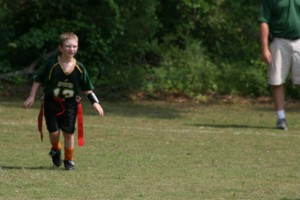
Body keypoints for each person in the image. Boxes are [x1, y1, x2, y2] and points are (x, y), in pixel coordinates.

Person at [24, 32, 104, 170]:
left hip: (70, 104)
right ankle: (56, 148)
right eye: (68, 46)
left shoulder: (80, 67)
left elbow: (87, 88)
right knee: (54, 132)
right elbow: (38, 80)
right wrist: (31, 96)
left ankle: (69, 160)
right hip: (51, 102)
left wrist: (95, 102)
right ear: (60, 47)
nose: (71, 49)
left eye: (74, 46)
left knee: (68, 133)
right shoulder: (52, 64)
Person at [258, 0, 300, 130]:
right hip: (279, 42)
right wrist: (264, 48)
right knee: (277, 80)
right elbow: (263, 21)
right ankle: (281, 118)